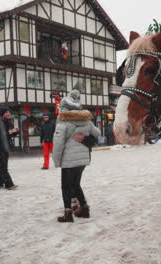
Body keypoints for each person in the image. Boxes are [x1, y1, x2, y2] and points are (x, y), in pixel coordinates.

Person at [53, 90, 101, 223]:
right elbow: (97, 133)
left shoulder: (63, 122)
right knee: (75, 184)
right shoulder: (86, 120)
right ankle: (84, 209)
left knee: (66, 186)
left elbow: (58, 143)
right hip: (83, 160)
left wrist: (56, 161)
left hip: (68, 160)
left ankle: (68, 214)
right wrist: (85, 137)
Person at [0, 107, 19, 190]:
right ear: (2, 114)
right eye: (6, 112)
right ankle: (9, 184)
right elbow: (0, 136)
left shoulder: (8, 123)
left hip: (6, 148)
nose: (8, 113)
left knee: (3, 166)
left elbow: (9, 135)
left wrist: (15, 132)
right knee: (4, 167)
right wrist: (9, 133)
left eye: (8, 112)